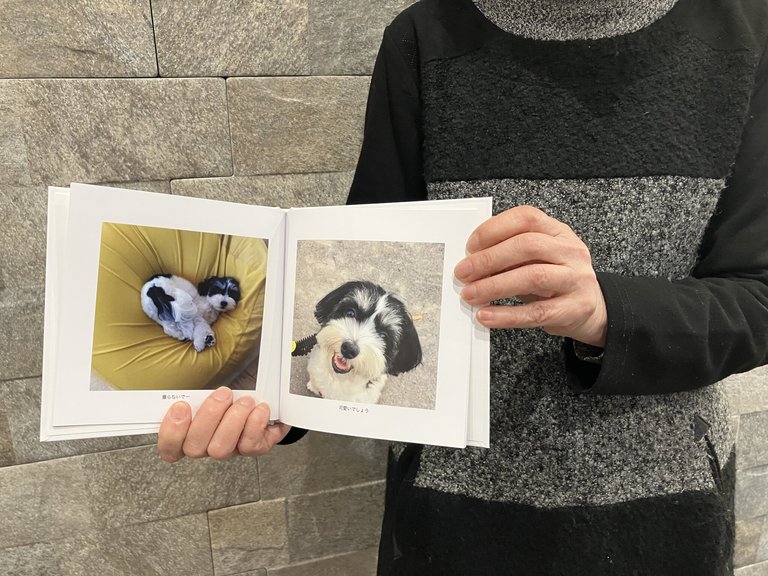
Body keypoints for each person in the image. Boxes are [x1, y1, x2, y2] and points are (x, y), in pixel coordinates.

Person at [158, 0, 768, 573]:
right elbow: (368, 262)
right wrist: (278, 398)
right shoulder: (423, 38)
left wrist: (611, 313)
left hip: (666, 509)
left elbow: (758, 297)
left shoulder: (749, 34)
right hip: (447, 516)